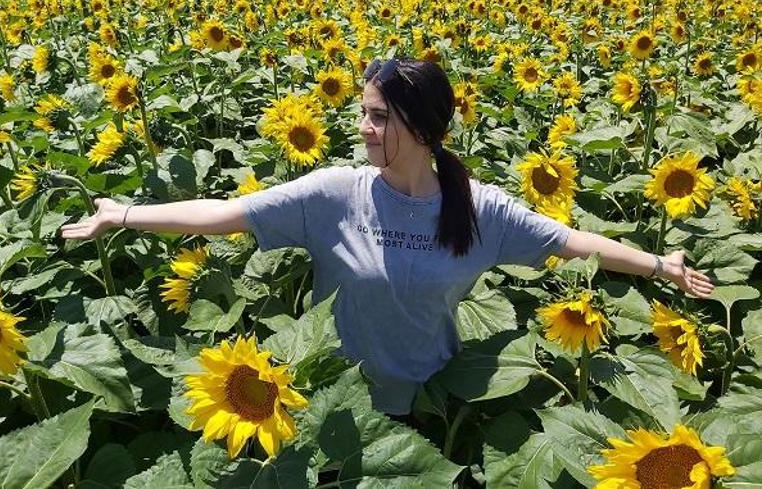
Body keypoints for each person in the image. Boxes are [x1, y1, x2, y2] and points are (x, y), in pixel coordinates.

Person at [61, 57, 714, 415]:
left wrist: (661, 263)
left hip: (430, 408)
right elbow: (228, 213)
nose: (365, 128)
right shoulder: (334, 193)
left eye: (378, 117)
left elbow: (572, 241)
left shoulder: (478, 208)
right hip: (328, 403)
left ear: (421, 126)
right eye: (365, 115)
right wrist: (124, 213)